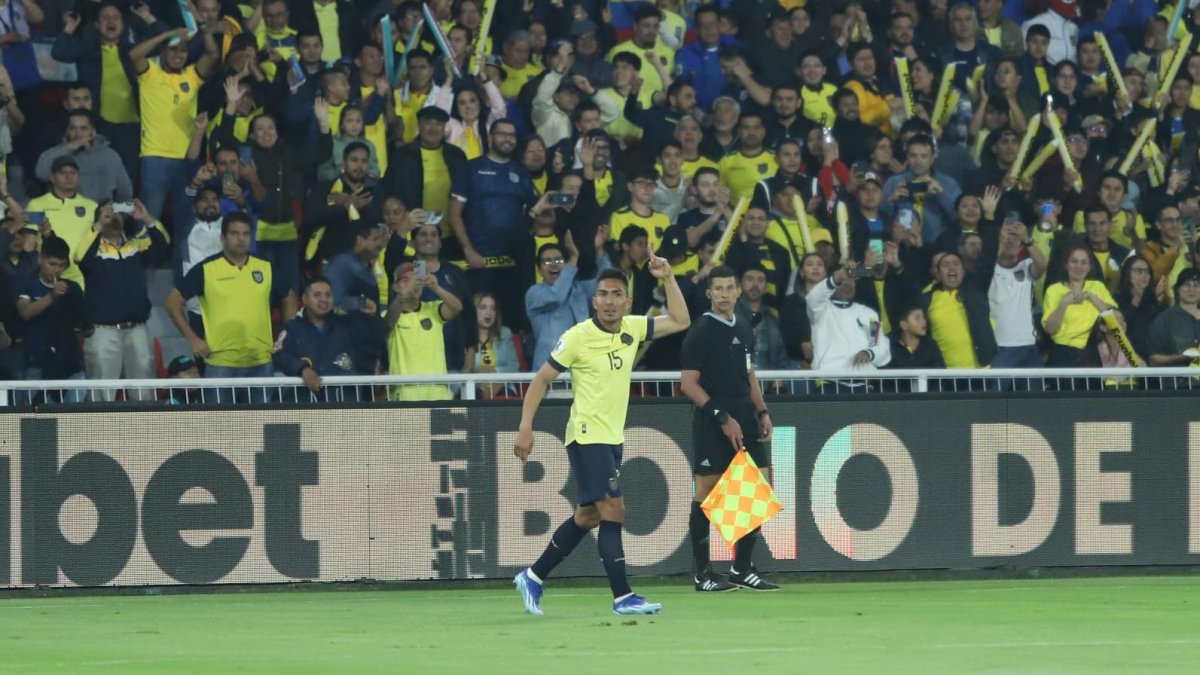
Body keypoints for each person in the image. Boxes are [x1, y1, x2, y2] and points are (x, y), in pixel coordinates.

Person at [512, 254, 690, 616]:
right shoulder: (577, 337)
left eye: (616, 294)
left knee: (588, 516)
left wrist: (668, 277)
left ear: (627, 301)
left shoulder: (634, 328)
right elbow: (541, 379)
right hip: (586, 434)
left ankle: (533, 576)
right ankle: (623, 596)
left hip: (611, 438)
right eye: (603, 294)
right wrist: (526, 426)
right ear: (594, 300)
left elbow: (681, 320)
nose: (609, 301)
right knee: (614, 508)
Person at [680, 265, 780, 593]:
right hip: (713, 421)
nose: (724, 294)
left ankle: (741, 567)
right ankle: (702, 572)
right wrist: (722, 417)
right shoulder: (701, 330)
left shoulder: (745, 327)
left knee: (760, 485)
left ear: (738, 291)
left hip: (745, 417)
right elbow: (688, 384)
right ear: (709, 293)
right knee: (707, 491)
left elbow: (748, 375)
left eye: (729, 288)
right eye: (718, 289)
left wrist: (762, 410)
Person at [164, 213, 292, 403]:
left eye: (246, 234)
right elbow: (172, 303)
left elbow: (289, 298)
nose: (241, 239)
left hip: (261, 362)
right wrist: (193, 339)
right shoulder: (206, 269)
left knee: (259, 426)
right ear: (223, 237)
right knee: (220, 427)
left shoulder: (266, 267)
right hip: (220, 364)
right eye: (234, 233)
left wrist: (284, 336)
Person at [75, 200, 169, 402]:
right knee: (101, 393)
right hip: (103, 331)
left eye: (117, 212)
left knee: (144, 392)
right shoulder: (94, 249)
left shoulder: (136, 246)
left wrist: (146, 218)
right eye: (107, 213)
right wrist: (99, 225)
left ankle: (143, 433)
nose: (113, 216)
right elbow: (80, 258)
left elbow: (163, 245)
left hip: (137, 329)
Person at [273, 276, 385, 403]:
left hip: (346, 402)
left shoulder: (346, 323)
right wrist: (302, 369)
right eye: (317, 295)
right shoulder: (293, 327)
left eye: (328, 295)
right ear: (304, 299)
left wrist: (371, 317)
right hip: (307, 404)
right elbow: (280, 355)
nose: (323, 300)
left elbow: (373, 341)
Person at [384, 262, 464, 401]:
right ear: (395, 287)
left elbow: (457, 308)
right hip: (405, 394)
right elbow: (387, 325)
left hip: (439, 393)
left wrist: (437, 288)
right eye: (405, 280)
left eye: (417, 280)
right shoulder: (388, 315)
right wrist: (403, 294)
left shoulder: (433, 309)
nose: (413, 284)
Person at [1042, 243, 1119, 367]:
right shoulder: (1054, 290)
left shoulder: (1097, 287)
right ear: (1066, 265)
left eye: (1084, 262)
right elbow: (1050, 329)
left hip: (1093, 350)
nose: (1078, 266)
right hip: (1063, 351)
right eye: (1074, 261)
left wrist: (1092, 297)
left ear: (1089, 267)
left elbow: (1115, 320)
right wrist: (1064, 303)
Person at [464, 291, 521, 399]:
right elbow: (463, 369)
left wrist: (495, 372)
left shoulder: (505, 334)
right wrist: (479, 374)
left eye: (493, 308)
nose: (489, 312)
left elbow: (514, 367)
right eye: (483, 308)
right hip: (475, 387)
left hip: (503, 386)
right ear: (474, 311)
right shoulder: (465, 337)